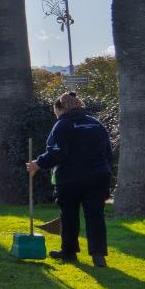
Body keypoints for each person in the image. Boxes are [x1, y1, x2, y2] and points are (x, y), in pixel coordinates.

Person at [27, 90, 112, 267]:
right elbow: (107, 152)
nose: (55, 115)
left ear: (60, 108)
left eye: (55, 112)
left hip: (70, 178)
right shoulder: (95, 124)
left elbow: (57, 152)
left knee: (69, 214)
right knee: (95, 215)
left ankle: (69, 252)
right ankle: (98, 256)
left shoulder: (62, 125)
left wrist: (37, 164)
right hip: (98, 176)